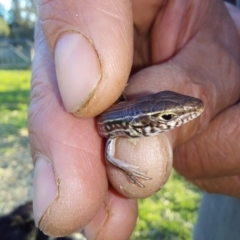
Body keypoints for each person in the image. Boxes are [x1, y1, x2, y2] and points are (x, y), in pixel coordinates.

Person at [28, 0, 240, 239]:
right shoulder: (122, 128)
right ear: (141, 124)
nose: (176, 119)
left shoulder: (133, 120)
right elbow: (110, 151)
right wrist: (126, 168)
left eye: (168, 116)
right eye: (168, 117)